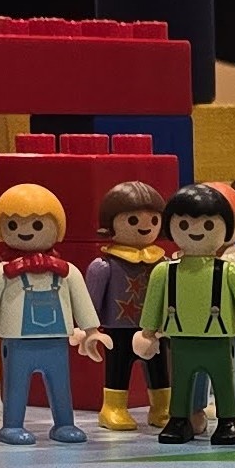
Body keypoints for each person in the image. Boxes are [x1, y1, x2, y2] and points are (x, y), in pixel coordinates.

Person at [0, 183, 109, 444]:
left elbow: (82, 302)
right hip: (17, 342)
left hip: (56, 340)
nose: (26, 231)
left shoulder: (67, 271)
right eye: (14, 225)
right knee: (16, 386)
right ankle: (12, 425)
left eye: (37, 225)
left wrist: (91, 332)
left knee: (61, 385)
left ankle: (64, 423)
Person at [134, 183, 235, 445]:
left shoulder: (233, 271)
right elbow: (153, 305)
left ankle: (228, 420)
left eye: (208, 225)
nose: (196, 231)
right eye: (185, 225)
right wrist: (147, 333)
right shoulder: (165, 271)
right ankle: (180, 419)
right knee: (182, 383)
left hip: (219, 340)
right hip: (180, 339)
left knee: (224, 381)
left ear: (225, 228)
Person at [82, 179, 172, 431]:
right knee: (117, 367)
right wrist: (89, 330)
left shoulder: (162, 263)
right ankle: (113, 407)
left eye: (153, 220)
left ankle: (161, 407)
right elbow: (91, 301)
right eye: (133, 220)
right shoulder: (104, 266)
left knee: (159, 367)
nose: (145, 226)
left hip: (155, 328)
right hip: (118, 330)